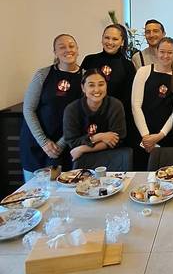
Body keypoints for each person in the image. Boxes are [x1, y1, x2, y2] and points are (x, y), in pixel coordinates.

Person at [20, 34, 83, 180]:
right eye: (62, 47)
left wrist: (60, 144)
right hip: (36, 144)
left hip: (64, 146)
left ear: (78, 50)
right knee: (34, 194)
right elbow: (28, 109)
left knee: (60, 193)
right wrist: (44, 142)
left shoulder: (85, 77)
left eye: (71, 46)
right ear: (55, 52)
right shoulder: (43, 74)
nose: (68, 50)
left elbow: (81, 116)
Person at [131, 36, 173, 161]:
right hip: (143, 136)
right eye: (162, 52)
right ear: (156, 51)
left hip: (166, 136)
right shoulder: (143, 71)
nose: (165, 56)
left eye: (170, 52)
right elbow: (136, 105)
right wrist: (146, 136)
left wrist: (160, 135)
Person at [63, 69, 126, 165]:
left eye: (101, 84)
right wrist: (98, 137)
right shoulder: (72, 109)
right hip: (81, 160)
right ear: (83, 88)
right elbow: (72, 142)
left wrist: (83, 148)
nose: (97, 90)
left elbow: (117, 139)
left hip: (112, 159)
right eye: (91, 85)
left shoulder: (115, 105)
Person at [81, 24, 136, 115]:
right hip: (89, 115)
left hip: (115, 116)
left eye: (115, 39)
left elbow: (128, 99)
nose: (110, 42)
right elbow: (82, 90)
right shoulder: (89, 60)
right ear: (102, 38)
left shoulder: (128, 66)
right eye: (107, 38)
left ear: (122, 42)